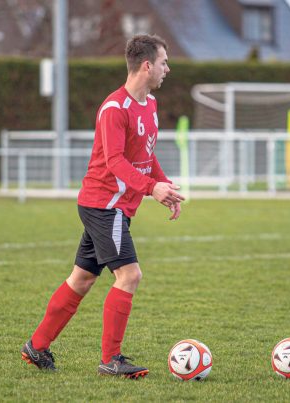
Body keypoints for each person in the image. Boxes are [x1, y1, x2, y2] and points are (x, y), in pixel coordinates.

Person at [21, 34, 184, 378]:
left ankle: (37, 346)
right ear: (146, 65)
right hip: (104, 204)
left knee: (81, 279)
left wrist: (163, 185)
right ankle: (112, 359)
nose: (167, 69)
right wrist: (150, 188)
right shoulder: (114, 109)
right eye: (164, 62)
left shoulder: (150, 106)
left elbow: (145, 157)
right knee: (130, 275)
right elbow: (115, 162)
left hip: (116, 207)